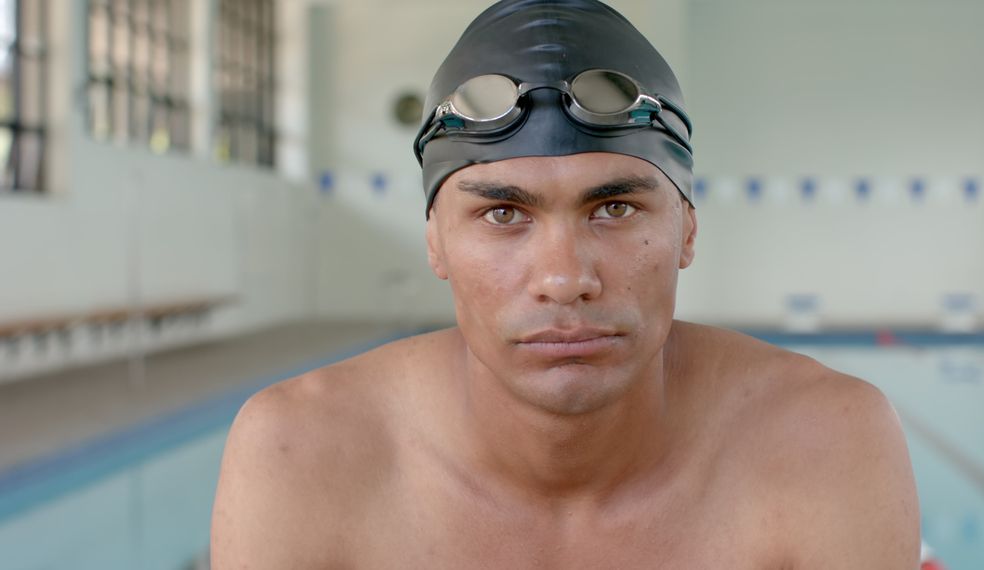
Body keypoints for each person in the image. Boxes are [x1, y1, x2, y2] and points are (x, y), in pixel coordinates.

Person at [210, 1, 920, 567]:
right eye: (503, 212)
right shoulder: (300, 456)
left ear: (688, 230)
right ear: (436, 240)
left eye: (614, 207)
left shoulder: (824, 443)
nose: (564, 278)